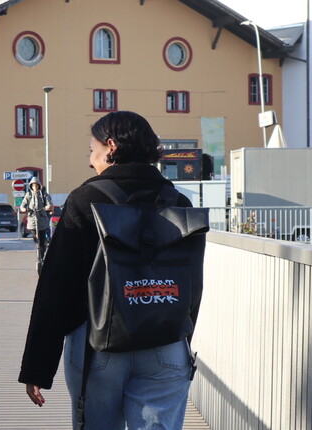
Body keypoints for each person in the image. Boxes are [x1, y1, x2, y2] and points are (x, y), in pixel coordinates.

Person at [18, 111, 198, 429]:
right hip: (166, 343)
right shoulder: (180, 202)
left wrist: (38, 366)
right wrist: (181, 335)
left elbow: (56, 287)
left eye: (92, 149)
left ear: (110, 146)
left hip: (98, 345)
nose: (91, 160)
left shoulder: (85, 200)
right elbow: (192, 283)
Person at [19, 177, 53, 271]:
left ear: (39, 185)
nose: (35, 187)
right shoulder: (28, 195)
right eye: (33, 185)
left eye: (36, 185)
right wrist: (23, 209)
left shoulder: (44, 194)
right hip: (32, 219)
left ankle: (42, 256)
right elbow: (22, 205)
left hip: (42, 219)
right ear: (31, 186)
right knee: (36, 239)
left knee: (42, 241)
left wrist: (48, 206)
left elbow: (49, 203)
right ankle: (38, 249)